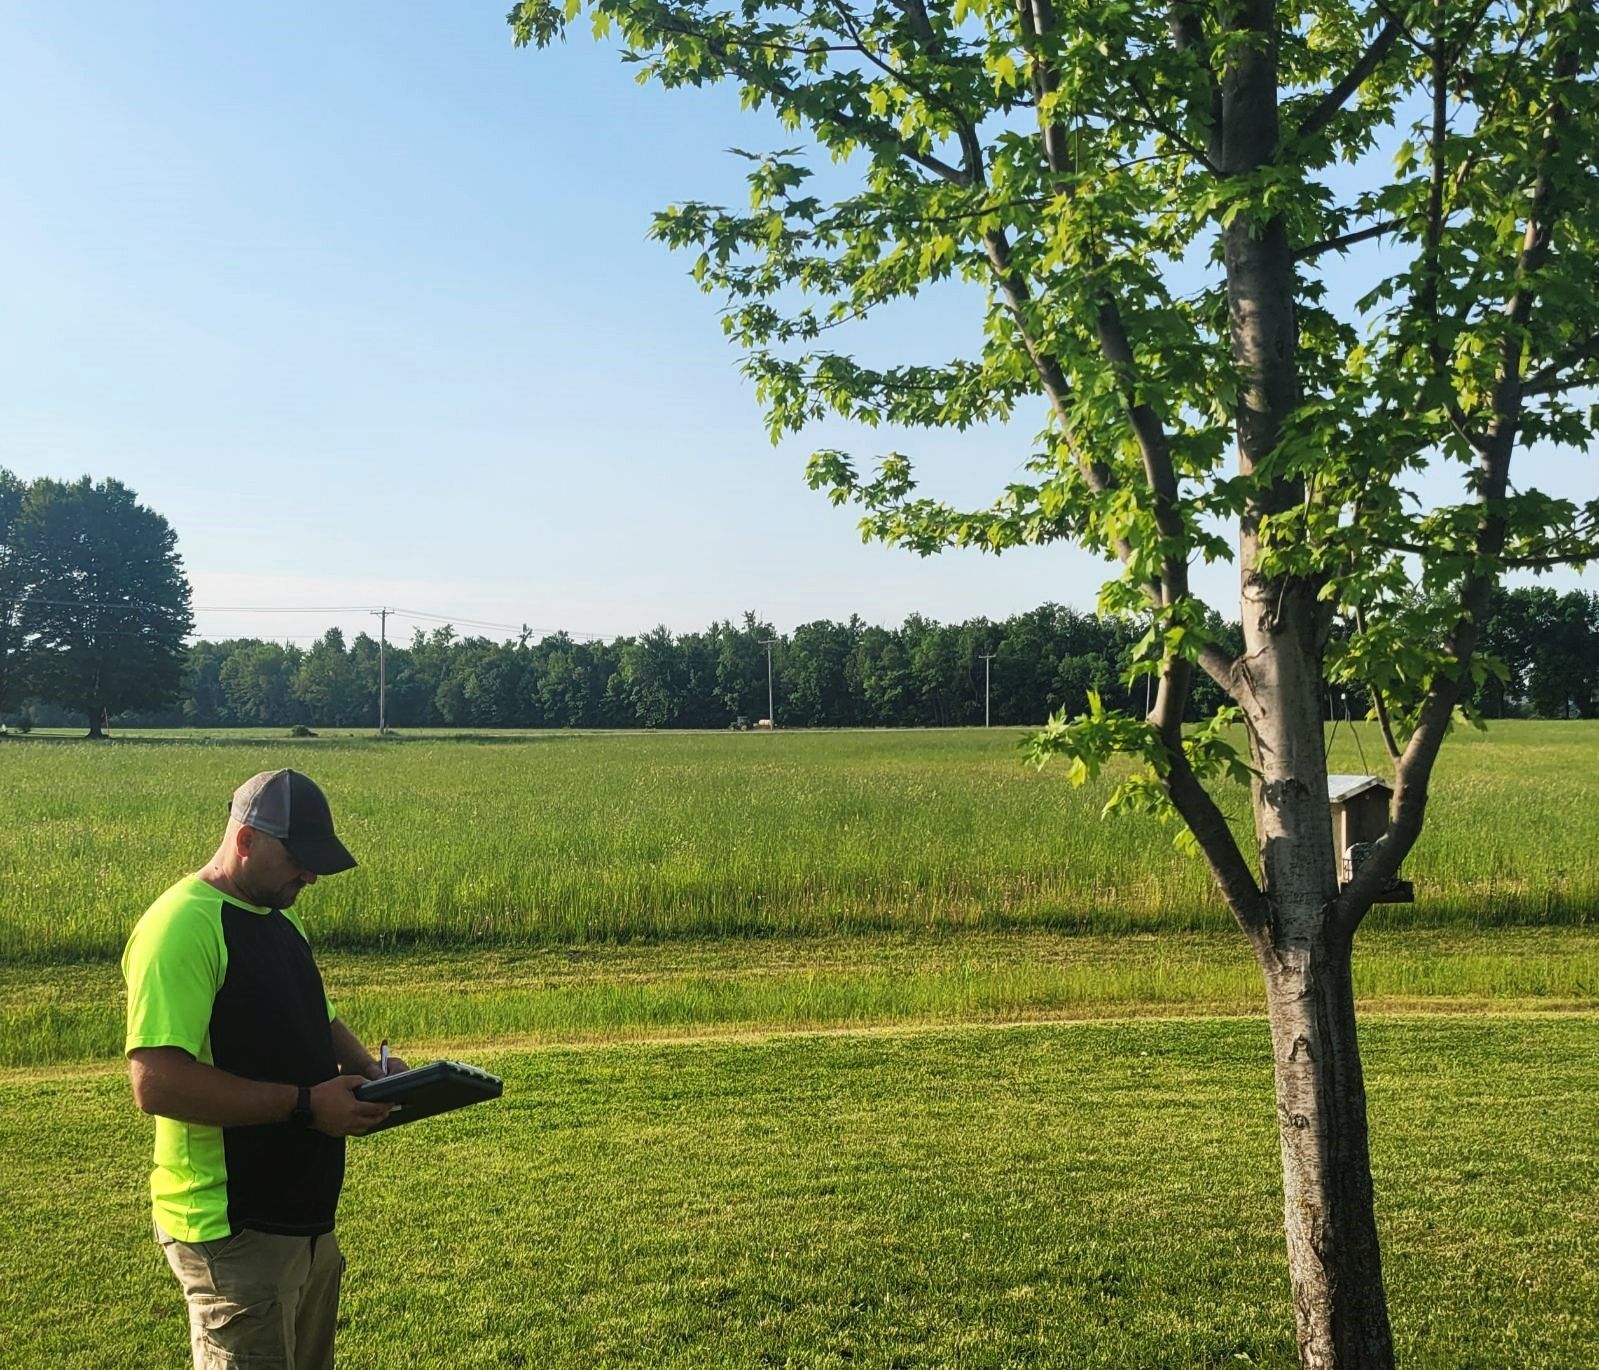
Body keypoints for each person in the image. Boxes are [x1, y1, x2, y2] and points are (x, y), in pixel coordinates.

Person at [123, 768, 407, 1370]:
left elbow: (316, 1014)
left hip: (302, 1222)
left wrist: (369, 1068)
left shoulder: (278, 914)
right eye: (298, 858)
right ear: (246, 839)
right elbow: (156, 1082)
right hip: (233, 1230)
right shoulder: (181, 926)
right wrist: (308, 1104)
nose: (309, 874)